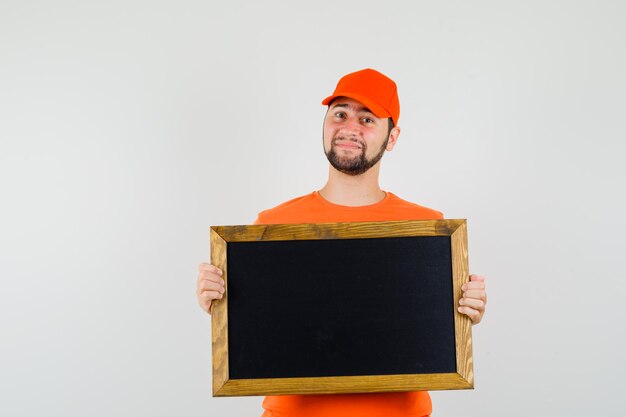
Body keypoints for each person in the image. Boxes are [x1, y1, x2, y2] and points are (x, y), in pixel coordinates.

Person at [196, 68, 487, 417]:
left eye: (367, 119)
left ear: (391, 138)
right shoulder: (271, 227)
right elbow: (253, 334)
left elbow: (435, 331)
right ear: (325, 123)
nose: (349, 127)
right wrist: (220, 300)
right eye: (340, 114)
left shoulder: (428, 231)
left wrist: (463, 311)